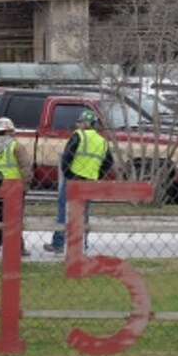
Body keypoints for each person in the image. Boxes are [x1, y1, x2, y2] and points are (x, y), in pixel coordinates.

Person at [44, 109, 113, 254]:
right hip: (90, 182)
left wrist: (68, 173)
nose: (79, 125)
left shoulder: (78, 135)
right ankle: (82, 244)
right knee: (84, 213)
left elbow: (67, 157)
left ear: (84, 123)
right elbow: (108, 162)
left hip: (73, 179)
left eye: (80, 122)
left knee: (64, 211)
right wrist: (97, 175)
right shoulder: (102, 141)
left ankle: (59, 243)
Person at [0, 116, 33, 258]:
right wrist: (26, 185)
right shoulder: (16, 146)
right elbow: (25, 167)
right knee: (15, 218)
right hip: (14, 187)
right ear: (10, 130)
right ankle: (17, 247)